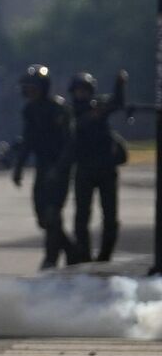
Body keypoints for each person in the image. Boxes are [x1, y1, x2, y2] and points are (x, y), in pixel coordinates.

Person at [11, 65, 74, 269]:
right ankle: (72, 250)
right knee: (42, 215)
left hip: (59, 167)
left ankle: (51, 258)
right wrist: (19, 167)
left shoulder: (58, 109)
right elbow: (29, 140)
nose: (29, 91)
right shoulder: (29, 110)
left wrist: (60, 168)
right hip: (42, 166)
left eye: (33, 87)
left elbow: (68, 143)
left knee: (52, 212)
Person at [68, 70, 128, 263]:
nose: (81, 94)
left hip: (106, 169)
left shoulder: (100, 106)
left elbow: (117, 102)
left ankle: (105, 255)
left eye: (84, 90)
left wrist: (119, 84)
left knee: (110, 216)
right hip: (84, 169)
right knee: (82, 216)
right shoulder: (70, 113)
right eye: (78, 91)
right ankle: (83, 254)